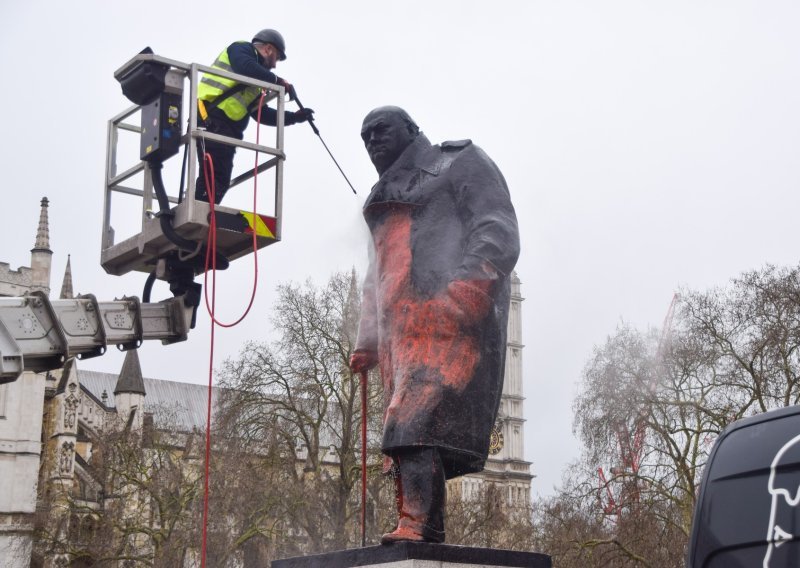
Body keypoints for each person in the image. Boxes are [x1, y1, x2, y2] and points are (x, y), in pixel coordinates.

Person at [350, 106, 520, 543]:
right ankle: (422, 524)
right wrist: (367, 337)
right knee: (403, 433)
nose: (372, 141)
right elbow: (379, 268)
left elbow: (497, 228)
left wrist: (464, 294)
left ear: (410, 129)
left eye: (380, 130)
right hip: (399, 334)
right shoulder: (382, 195)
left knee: (412, 422)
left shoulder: (458, 161)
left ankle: (417, 524)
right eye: (364, 136)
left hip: (446, 319)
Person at [195, 29, 314, 204]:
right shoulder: (240, 49)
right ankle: (200, 214)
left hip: (226, 129)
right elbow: (245, 67)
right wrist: (277, 81)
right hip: (211, 118)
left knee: (218, 177)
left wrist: (294, 117)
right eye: (277, 58)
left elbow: (261, 114)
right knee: (215, 175)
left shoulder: (255, 84)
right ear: (268, 49)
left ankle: (202, 213)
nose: (274, 65)